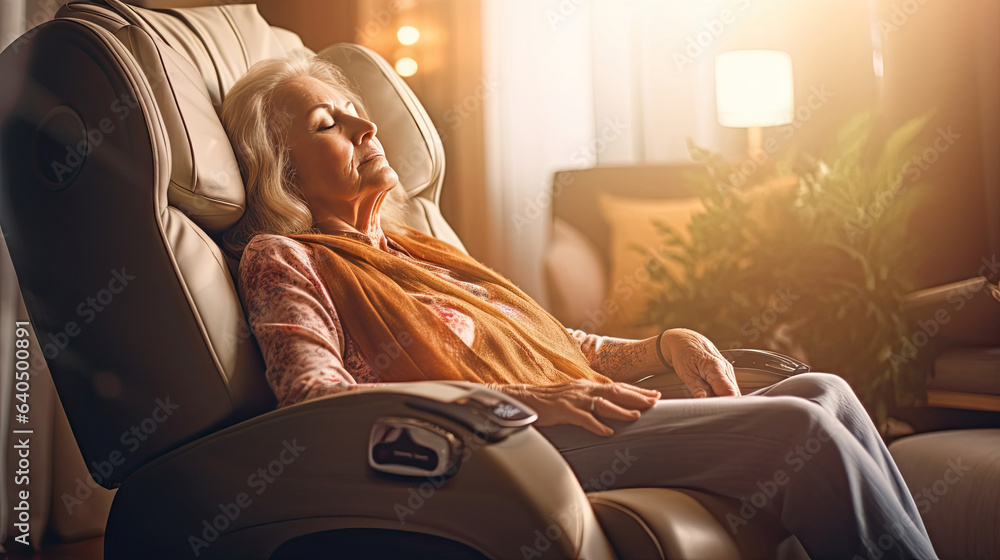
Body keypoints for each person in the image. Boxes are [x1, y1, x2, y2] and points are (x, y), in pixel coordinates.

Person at [220, 53, 938, 560]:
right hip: (502, 448)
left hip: (560, 413)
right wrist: (522, 402)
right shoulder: (287, 257)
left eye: (358, 115)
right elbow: (316, 400)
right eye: (327, 125)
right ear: (282, 169)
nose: (365, 130)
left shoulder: (414, 248)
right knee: (795, 431)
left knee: (825, 390)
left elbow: (551, 340)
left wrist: (660, 346)